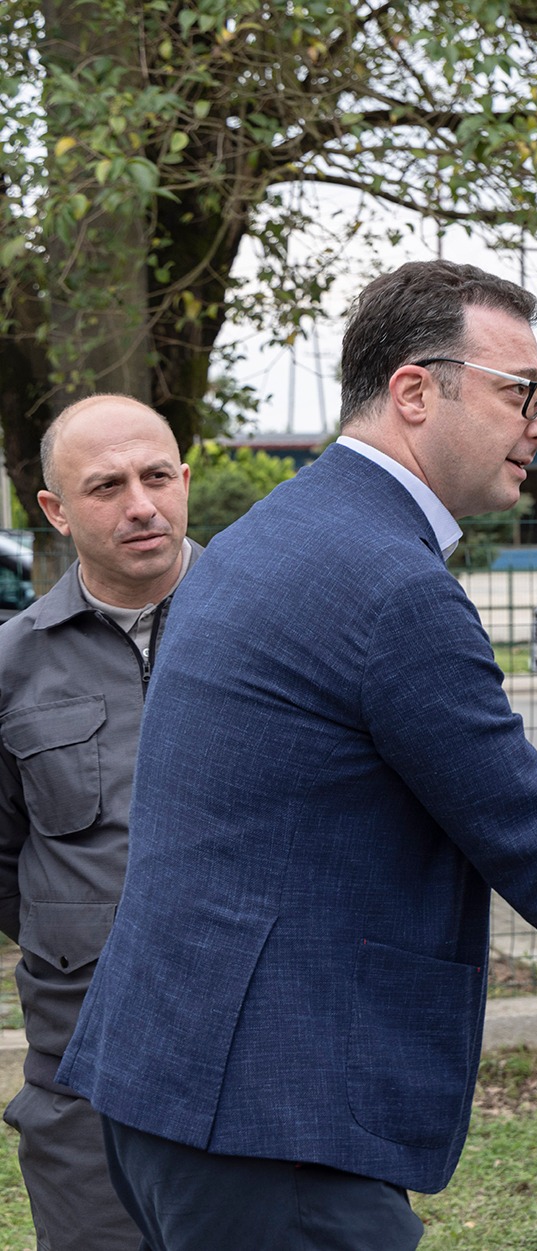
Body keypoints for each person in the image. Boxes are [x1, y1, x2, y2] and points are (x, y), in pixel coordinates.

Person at [55, 261, 537, 1250]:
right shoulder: (391, 585)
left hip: (175, 1087)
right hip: (271, 1118)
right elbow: (535, 842)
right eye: (523, 394)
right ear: (416, 392)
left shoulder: (267, 534)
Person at [0, 396, 196, 1251]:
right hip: (84, 1072)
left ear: (184, 480)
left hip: (258, 1066)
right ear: (55, 509)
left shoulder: (275, 629)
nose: (141, 504)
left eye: (156, 477)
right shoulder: (13, 665)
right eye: (107, 486)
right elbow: (7, 860)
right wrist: (84, 939)